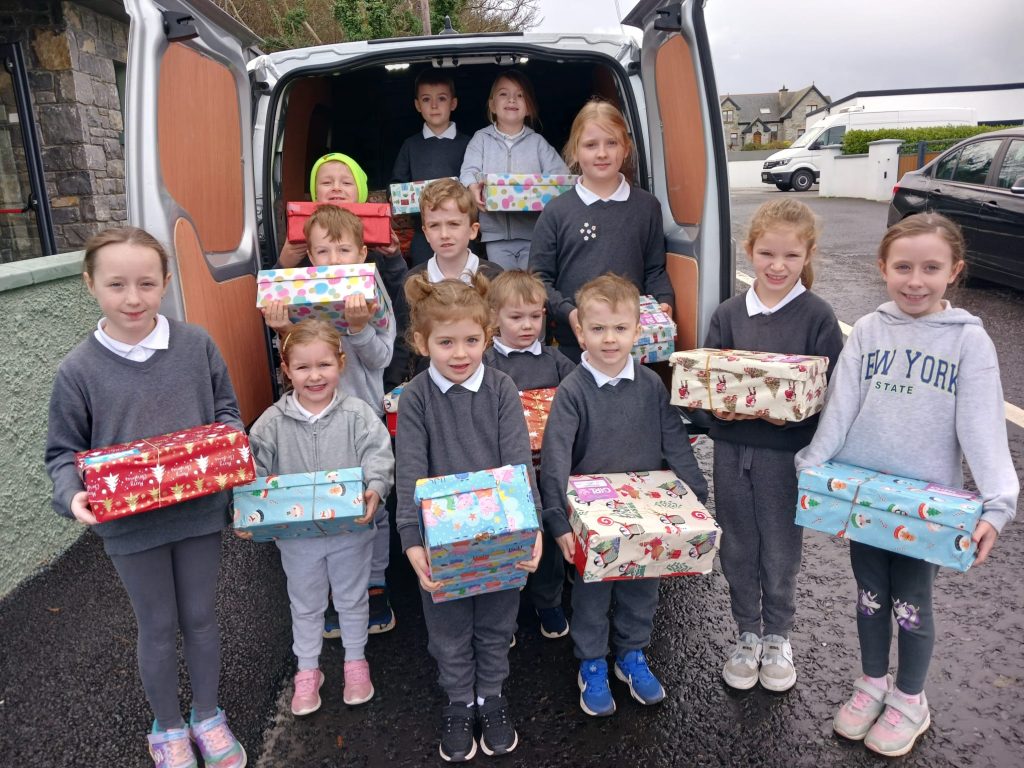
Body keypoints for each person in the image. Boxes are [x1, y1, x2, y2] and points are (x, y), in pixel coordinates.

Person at [795, 213, 1018, 757]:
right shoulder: (869, 330)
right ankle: (873, 683)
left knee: (911, 602)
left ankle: (910, 699)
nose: (915, 281)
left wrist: (997, 505)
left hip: (927, 508)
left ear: (954, 271)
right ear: (883, 268)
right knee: (870, 595)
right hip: (863, 498)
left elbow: (983, 425)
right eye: (903, 267)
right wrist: (813, 465)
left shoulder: (968, 341)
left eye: (931, 268)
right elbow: (842, 406)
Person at [44, 227, 247, 768]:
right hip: (130, 526)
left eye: (146, 283)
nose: (132, 298)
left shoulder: (196, 345)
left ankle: (208, 716)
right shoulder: (78, 370)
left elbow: (227, 413)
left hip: (198, 511)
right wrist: (72, 495)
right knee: (156, 626)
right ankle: (169, 727)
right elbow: (62, 452)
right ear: (90, 284)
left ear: (166, 282)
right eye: (116, 284)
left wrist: (228, 450)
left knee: (200, 617)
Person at [539, 274, 708, 718]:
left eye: (619, 328)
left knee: (642, 589)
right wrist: (556, 517)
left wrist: (696, 494)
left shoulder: (651, 386)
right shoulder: (574, 390)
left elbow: (674, 440)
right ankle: (592, 662)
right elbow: (555, 455)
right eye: (598, 329)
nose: (609, 339)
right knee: (592, 595)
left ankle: (632, 654)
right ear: (580, 332)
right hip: (592, 520)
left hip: (649, 515)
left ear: (638, 331)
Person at [395, 273, 543, 761]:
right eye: (446, 342)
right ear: (423, 343)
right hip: (440, 541)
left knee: (497, 623)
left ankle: (491, 697)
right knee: (448, 628)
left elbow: (519, 465)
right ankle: (460, 700)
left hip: (503, 533)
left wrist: (534, 526)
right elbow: (410, 472)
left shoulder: (501, 389)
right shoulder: (417, 397)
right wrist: (411, 538)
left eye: (471, 340)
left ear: (488, 336)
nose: (460, 353)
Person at [699, 199, 844, 693]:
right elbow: (707, 383)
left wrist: (805, 428)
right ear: (749, 251)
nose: (777, 266)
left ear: (808, 255)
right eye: (767, 254)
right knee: (738, 543)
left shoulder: (817, 316)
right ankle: (747, 633)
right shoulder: (728, 313)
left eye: (790, 256)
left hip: (786, 457)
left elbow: (834, 394)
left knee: (781, 548)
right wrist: (715, 412)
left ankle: (778, 635)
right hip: (732, 450)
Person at [246, 318, 395, 715]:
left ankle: (355, 662)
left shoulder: (358, 414)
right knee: (306, 604)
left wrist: (376, 487)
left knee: (351, 598)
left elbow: (378, 456)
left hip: (352, 533)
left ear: (341, 363)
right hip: (297, 540)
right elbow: (253, 471)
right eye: (303, 367)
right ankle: (308, 669)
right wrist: (246, 511)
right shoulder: (271, 423)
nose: (314, 376)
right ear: (286, 369)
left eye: (324, 365)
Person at [263, 203, 400, 636]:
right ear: (310, 256)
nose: (334, 259)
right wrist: (282, 331)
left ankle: (374, 583)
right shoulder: (300, 290)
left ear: (362, 253)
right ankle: (328, 586)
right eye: (323, 251)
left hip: (361, 414)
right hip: (313, 418)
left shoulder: (372, 289)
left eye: (343, 250)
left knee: (370, 503)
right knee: (320, 495)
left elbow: (382, 357)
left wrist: (358, 328)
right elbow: (295, 359)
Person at [529, 99, 674, 362]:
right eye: (591, 145)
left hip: (630, 347)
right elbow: (539, 279)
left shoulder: (647, 207)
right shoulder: (556, 211)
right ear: (575, 151)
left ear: (626, 148)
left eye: (611, 143)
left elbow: (655, 270)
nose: (602, 153)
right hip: (572, 348)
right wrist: (570, 313)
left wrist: (664, 302)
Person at [482, 269, 575, 640]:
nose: (527, 326)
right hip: (502, 471)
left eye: (535, 316)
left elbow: (579, 395)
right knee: (506, 537)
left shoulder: (554, 360)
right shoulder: (486, 362)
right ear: (494, 317)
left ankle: (548, 600)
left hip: (548, 470)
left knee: (549, 534)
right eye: (516, 317)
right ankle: (505, 609)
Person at [277, 151, 410, 394]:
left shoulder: (378, 254)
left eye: (346, 182)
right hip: (314, 394)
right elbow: (288, 324)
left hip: (366, 395)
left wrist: (393, 259)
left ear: (361, 252)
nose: (336, 188)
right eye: (327, 182)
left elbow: (398, 311)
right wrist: (283, 265)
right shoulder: (299, 250)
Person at [459, 70, 569, 271]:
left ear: (529, 107)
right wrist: (472, 186)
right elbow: (468, 171)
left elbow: (561, 177)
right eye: (503, 94)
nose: (512, 99)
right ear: (492, 105)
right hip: (495, 235)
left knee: (531, 284)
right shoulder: (481, 139)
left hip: (534, 233)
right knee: (503, 284)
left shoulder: (537, 143)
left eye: (520, 95)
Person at [403, 179, 503, 380]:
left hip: (487, 380)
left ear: (473, 229)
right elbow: (404, 342)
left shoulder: (494, 277)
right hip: (429, 383)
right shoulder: (414, 280)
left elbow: (502, 337)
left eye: (453, 224)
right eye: (434, 225)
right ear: (425, 233)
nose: (444, 234)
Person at [391, 70, 471, 266]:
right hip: (423, 233)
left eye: (441, 98)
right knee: (424, 279)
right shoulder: (410, 145)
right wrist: (396, 197)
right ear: (418, 105)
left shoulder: (470, 144)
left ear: (453, 103)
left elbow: (476, 184)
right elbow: (396, 186)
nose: (434, 105)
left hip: (462, 233)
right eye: (426, 99)